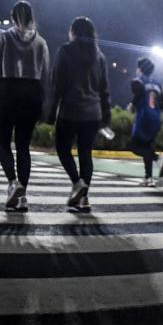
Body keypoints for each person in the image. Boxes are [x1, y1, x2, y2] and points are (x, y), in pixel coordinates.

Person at [0, 0, 51, 212]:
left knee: (3, 143)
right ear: (32, 17)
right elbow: (46, 78)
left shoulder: (3, 38)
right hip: (31, 95)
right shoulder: (41, 43)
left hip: (8, 91)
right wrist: (46, 106)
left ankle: (13, 183)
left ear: (12, 17)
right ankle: (23, 198)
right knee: (23, 146)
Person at [49, 17, 111, 212]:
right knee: (86, 154)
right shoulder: (99, 55)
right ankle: (84, 199)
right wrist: (106, 115)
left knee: (62, 149)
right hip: (93, 113)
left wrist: (51, 110)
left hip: (70, 110)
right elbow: (104, 89)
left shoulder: (66, 51)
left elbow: (57, 84)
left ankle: (77, 183)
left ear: (73, 31)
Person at [129, 57, 163, 187]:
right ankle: (148, 178)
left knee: (134, 147)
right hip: (156, 117)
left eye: (137, 68)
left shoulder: (139, 80)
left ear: (140, 69)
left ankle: (157, 158)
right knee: (147, 146)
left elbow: (138, 93)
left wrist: (132, 105)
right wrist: (156, 106)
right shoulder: (158, 84)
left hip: (144, 117)